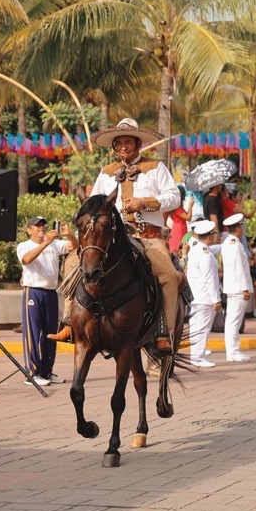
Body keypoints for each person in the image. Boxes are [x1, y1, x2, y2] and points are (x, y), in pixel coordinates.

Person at [84, 118, 183, 353]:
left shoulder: (156, 167)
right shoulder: (106, 173)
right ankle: (71, 322)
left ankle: (164, 332)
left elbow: (174, 197)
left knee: (168, 275)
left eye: (128, 142)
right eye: (118, 143)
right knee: (73, 264)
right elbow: (94, 204)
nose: (123, 147)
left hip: (148, 236)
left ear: (138, 144)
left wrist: (145, 203)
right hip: (112, 238)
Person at [17, 216, 78, 386]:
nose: (41, 228)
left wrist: (69, 234)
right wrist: (46, 243)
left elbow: (75, 246)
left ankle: (46, 372)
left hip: (51, 293)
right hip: (33, 292)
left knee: (51, 333)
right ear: (29, 230)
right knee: (34, 333)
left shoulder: (54, 244)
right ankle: (32, 373)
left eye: (43, 225)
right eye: (37, 226)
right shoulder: (24, 246)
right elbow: (27, 260)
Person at [185, 220, 221, 367]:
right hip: (205, 296)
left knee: (196, 326)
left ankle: (196, 355)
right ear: (209, 236)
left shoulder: (196, 248)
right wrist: (216, 299)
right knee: (203, 327)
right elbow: (209, 278)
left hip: (196, 295)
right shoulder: (205, 254)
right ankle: (198, 357)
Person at [221, 213, 253, 362]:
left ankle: (232, 351)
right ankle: (233, 352)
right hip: (237, 288)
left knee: (232, 321)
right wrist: (244, 288)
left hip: (233, 287)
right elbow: (238, 268)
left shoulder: (229, 243)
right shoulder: (234, 245)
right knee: (234, 321)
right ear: (239, 227)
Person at [168, 185, 193, 254]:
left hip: (180, 227)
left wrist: (190, 207)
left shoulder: (178, 206)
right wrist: (190, 206)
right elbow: (188, 218)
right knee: (179, 249)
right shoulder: (177, 207)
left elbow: (187, 216)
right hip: (178, 229)